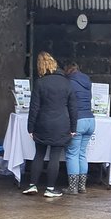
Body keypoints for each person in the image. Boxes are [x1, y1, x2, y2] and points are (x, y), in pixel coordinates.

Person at [25, 52, 78, 198]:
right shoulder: (67, 83)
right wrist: (73, 128)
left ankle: (32, 185)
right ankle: (50, 188)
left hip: (42, 124)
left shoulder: (40, 83)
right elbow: (73, 108)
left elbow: (34, 107)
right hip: (61, 124)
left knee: (39, 154)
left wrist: (30, 127)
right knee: (54, 157)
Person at [62, 59, 96, 194]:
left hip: (78, 120)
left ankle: (72, 188)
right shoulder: (87, 81)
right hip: (90, 120)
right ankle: (82, 186)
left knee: (72, 154)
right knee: (82, 154)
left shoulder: (69, 83)